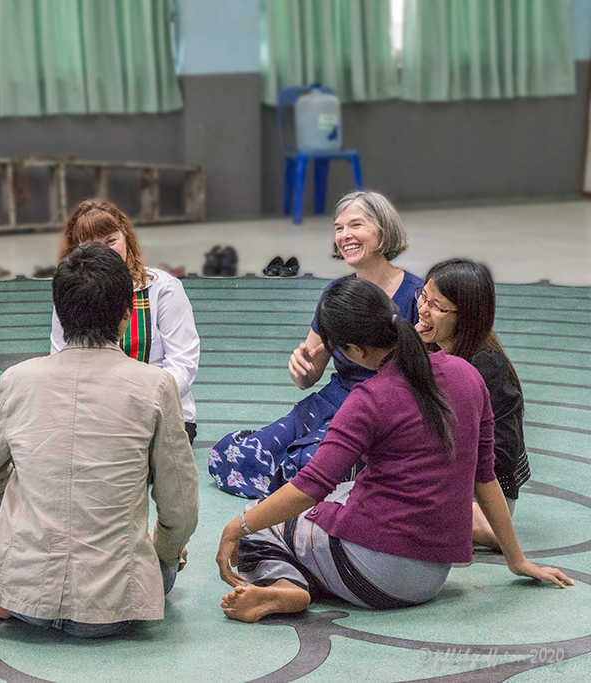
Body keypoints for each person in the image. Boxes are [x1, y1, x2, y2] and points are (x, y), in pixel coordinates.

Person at [213, 277, 572, 623]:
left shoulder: (367, 399)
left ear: (355, 351)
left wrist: (235, 527)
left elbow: (309, 488)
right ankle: (296, 578)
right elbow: (485, 477)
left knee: (260, 522)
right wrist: (517, 559)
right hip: (432, 577)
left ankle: (284, 583)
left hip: (373, 577)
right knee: (344, 491)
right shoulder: (467, 374)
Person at [0, 243, 199, 637]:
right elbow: (180, 508)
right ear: (126, 315)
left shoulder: (18, 379)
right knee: (166, 545)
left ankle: (3, 596)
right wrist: (163, 552)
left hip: (28, 600)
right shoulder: (156, 386)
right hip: (120, 606)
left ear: (60, 314)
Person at [210, 190, 423, 498]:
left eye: (356, 225)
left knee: (310, 466)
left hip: (381, 411)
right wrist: (301, 369)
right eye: (339, 228)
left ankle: (300, 478)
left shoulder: (417, 294)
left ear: (383, 229)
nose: (345, 235)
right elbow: (309, 374)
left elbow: (431, 375)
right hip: (331, 401)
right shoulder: (336, 293)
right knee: (235, 457)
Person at [50, 199, 200, 444]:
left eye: (111, 241)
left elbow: (183, 363)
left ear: (127, 238)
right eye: (90, 245)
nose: (105, 252)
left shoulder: (163, 288)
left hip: (159, 416)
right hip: (92, 417)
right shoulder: (68, 290)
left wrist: (133, 404)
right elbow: (60, 359)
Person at [417, 259, 530, 549]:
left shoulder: (487, 365)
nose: (423, 309)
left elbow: (503, 453)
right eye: (424, 296)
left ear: (465, 317)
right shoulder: (428, 346)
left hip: (487, 496)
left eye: (438, 307)